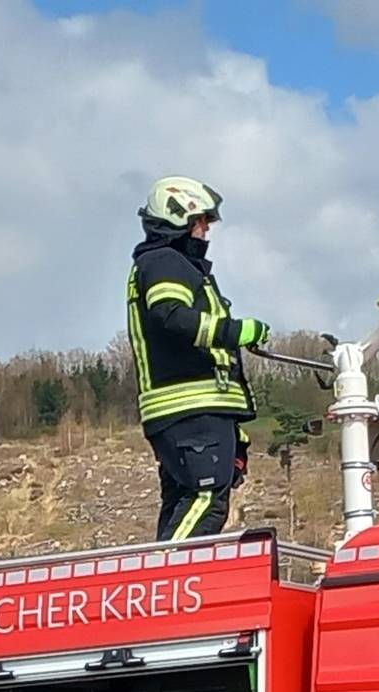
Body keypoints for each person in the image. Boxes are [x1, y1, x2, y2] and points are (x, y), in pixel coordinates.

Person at [127, 176, 271, 541]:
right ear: (179, 219)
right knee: (206, 498)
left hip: (195, 410)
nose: (206, 230)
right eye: (201, 221)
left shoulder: (170, 264)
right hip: (190, 409)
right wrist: (234, 332)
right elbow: (170, 315)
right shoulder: (164, 261)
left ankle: (163, 584)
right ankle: (163, 581)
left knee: (183, 502)